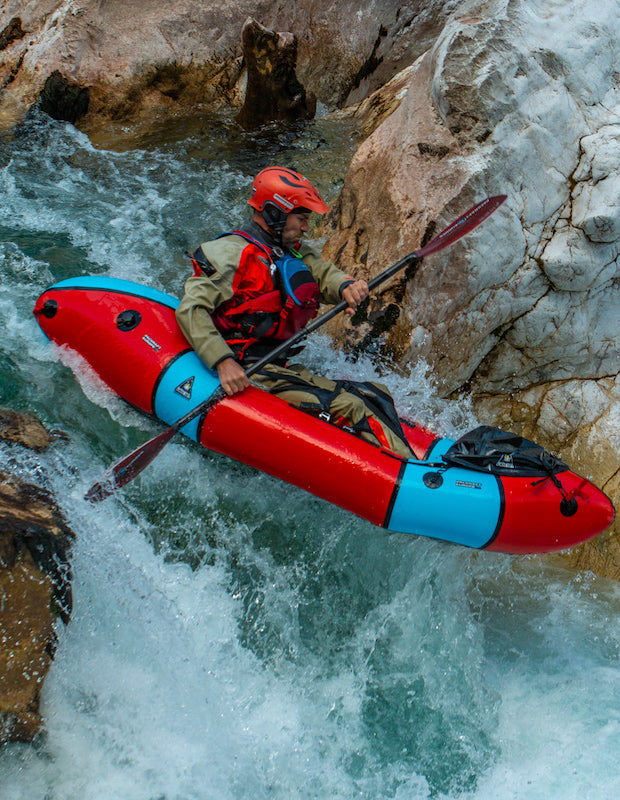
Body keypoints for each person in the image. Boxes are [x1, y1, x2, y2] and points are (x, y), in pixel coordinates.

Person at [175, 166, 413, 459]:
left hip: (275, 365)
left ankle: (410, 454)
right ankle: (418, 481)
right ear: (275, 213)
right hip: (248, 369)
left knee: (374, 393)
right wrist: (223, 362)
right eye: (301, 219)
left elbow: (323, 274)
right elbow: (191, 308)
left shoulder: (289, 250)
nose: (305, 227)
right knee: (352, 407)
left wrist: (346, 286)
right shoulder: (231, 256)